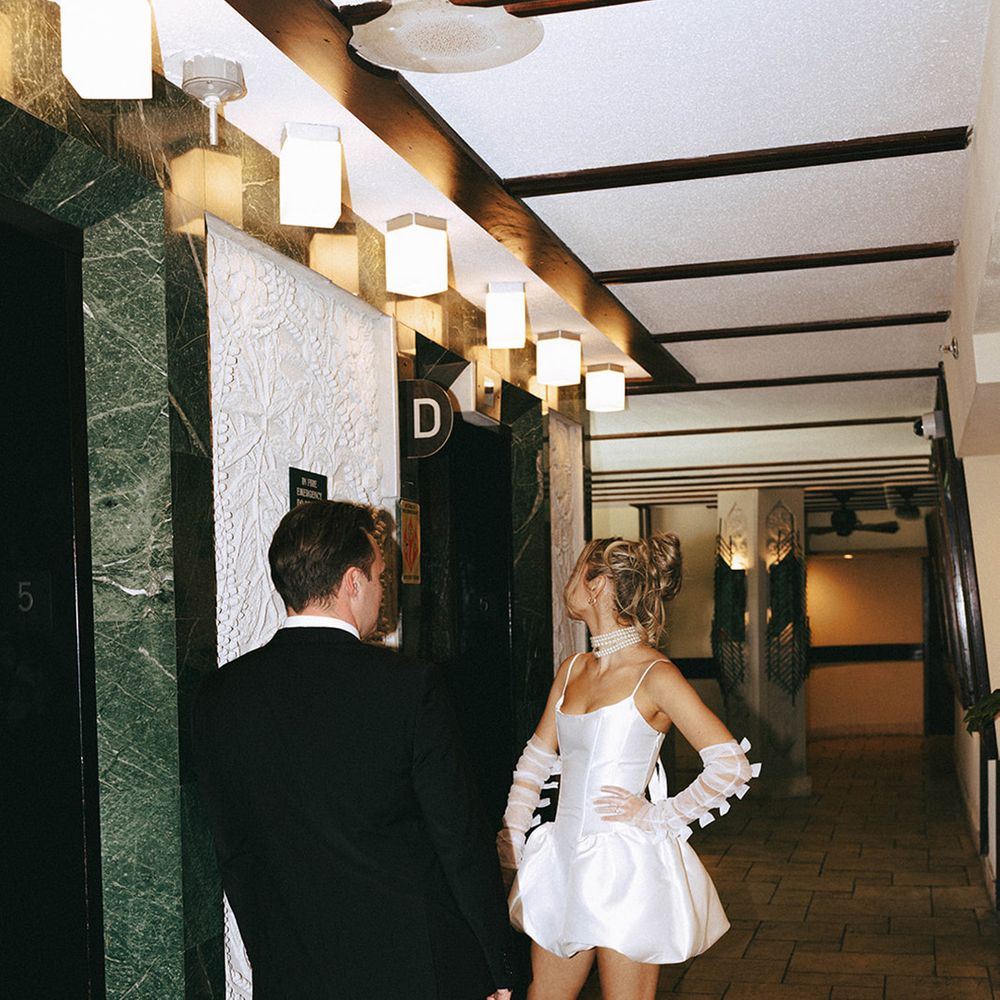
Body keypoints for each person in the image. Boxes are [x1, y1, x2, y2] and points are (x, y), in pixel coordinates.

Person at [193, 500, 514, 1000]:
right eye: (381, 577)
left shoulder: (220, 695)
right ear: (352, 583)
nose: (383, 593)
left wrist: (274, 958)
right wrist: (499, 965)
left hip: (293, 970)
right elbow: (459, 838)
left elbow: (234, 852)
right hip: (412, 967)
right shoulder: (409, 686)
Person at [498, 535, 760, 1000]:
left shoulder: (655, 674)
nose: (570, 581)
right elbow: (536, 759)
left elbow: (731, 766)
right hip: (561, 861)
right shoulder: (573, 668)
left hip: (628, 870)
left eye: (579, 569)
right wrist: (514, 834)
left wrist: (656, 815)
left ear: (597, 584)